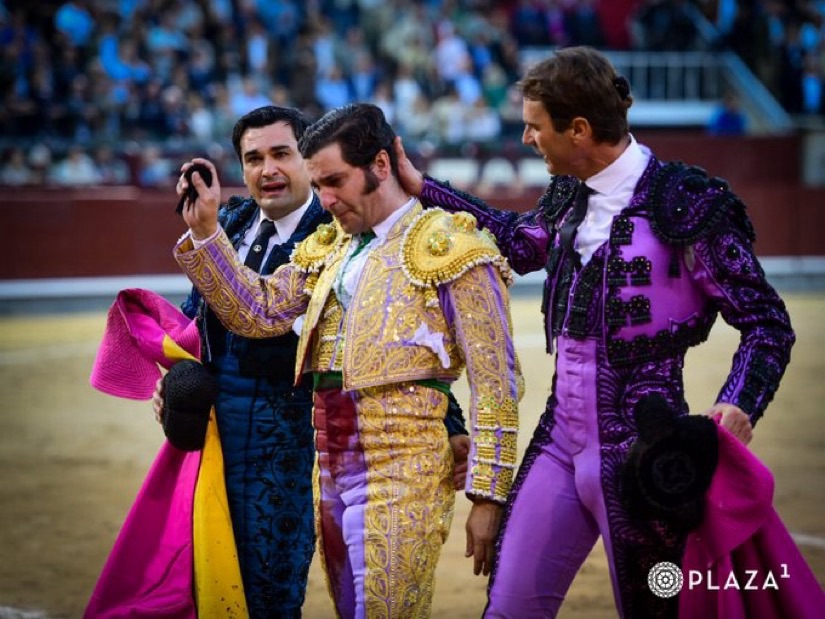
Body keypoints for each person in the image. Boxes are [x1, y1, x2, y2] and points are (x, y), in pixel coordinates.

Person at [394, 46, 796, 618]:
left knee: (655, 610)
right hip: (560, 441)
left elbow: (766, 323)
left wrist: (739, 403)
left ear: (578, 130)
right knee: (508, 608)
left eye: (536, 128)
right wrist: (423, 188)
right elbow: (515, 241)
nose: (529, 140)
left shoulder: (685, 205)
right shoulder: (568, 196)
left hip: (645, 454)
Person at [172, 103, 523, 618]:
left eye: (335, 181)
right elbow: (259, 311)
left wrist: (489, 497)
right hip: (332, 470)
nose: (326, 199)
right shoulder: (329, 246)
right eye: (320, 183)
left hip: (407, 468)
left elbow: (497, 384)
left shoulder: (452, 246)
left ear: (380, 165)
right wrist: (206, 233)